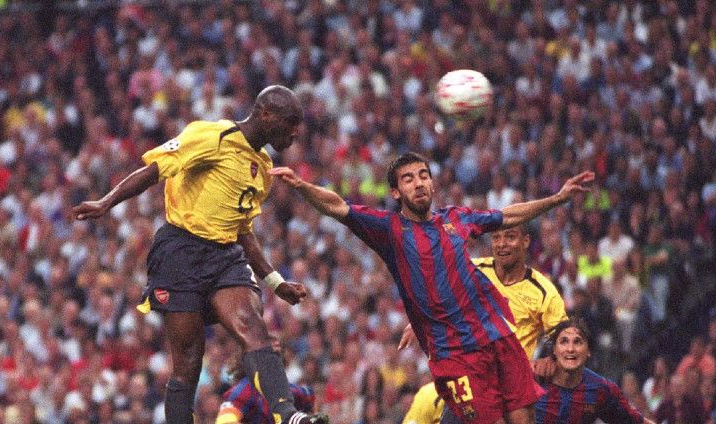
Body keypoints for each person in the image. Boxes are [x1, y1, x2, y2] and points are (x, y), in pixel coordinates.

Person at [270, 152, 594, 423]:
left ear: (432, 182)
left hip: (496, 336)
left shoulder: (456, 218)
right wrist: (300, 185)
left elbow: (506, 216)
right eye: (408, 178)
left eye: (423, 175)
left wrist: (557, 199)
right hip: (452, 352)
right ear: (396, 192)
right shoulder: (388, 229)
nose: (419, 182)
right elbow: (337, 206)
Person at [72, 85, 327, 424]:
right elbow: (155, 169)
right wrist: (106, 201)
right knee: (189, 360)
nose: (296, 132)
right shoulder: (212, 136)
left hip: (225, 255)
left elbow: (242, 230)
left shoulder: (262, 169)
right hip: (181, 250)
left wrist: (275, 281)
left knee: (253, 328)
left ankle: (287, 415)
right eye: (291, 122)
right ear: (266, 114)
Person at [400, 224, 568, 423]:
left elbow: (563, 336)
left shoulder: (543, 291)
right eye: (496, 238)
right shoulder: (473, 270)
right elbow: (440, 295)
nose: (502, 244)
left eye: (510, 237)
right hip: (469, 379)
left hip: (511, 392)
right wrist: (419, 320)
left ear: (526, 241)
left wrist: (550, 359)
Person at [535, 319, 654, 424]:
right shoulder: (534, 377)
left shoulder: (600, 389)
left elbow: (635, 421)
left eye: (577, 342)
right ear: (554, 350)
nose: (570, 349)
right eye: (564, 342)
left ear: (588, 351)